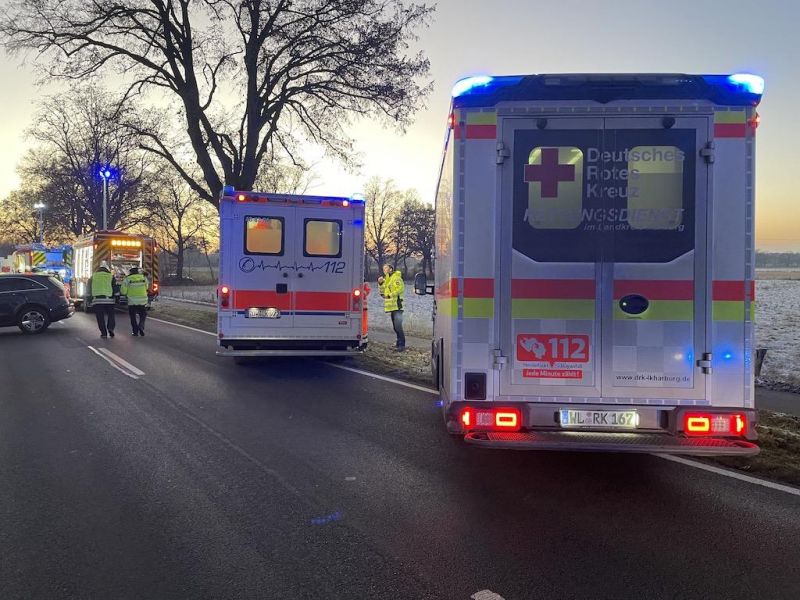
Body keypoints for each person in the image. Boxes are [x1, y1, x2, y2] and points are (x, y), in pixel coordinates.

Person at [378, 264, 405, 351]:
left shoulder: (396, 277)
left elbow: (400, 288)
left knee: (398, 326)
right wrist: (380, 283)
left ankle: (402, 345)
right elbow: (382, 293)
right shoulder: (386, 279)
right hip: (392, 307)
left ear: (391, 269)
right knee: (395, 326)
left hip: (398, 306)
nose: (384, 270)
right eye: (383, 268)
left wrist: (390, 295)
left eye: (386, 268)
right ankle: (398, 343)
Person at [90, 260, 116, 338]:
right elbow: (115, 288)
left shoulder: (93, 276)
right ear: (107, 269)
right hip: (109, 300)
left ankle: (103, 333)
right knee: (111, 315)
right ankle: (111, 328)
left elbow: (89, 288)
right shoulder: (110, 276)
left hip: (97, 300)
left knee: (100, 317)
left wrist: (89, 298)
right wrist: (116, 298)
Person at [121, 266, 149, 336]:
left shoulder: (127, 279)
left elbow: (123, 291)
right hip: (142, 301)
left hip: (132, 301)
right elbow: (147, 287)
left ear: (130, 272)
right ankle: (141, 326)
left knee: (133, 317)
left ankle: (135, 331)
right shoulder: (143, 278)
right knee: (143, 315)